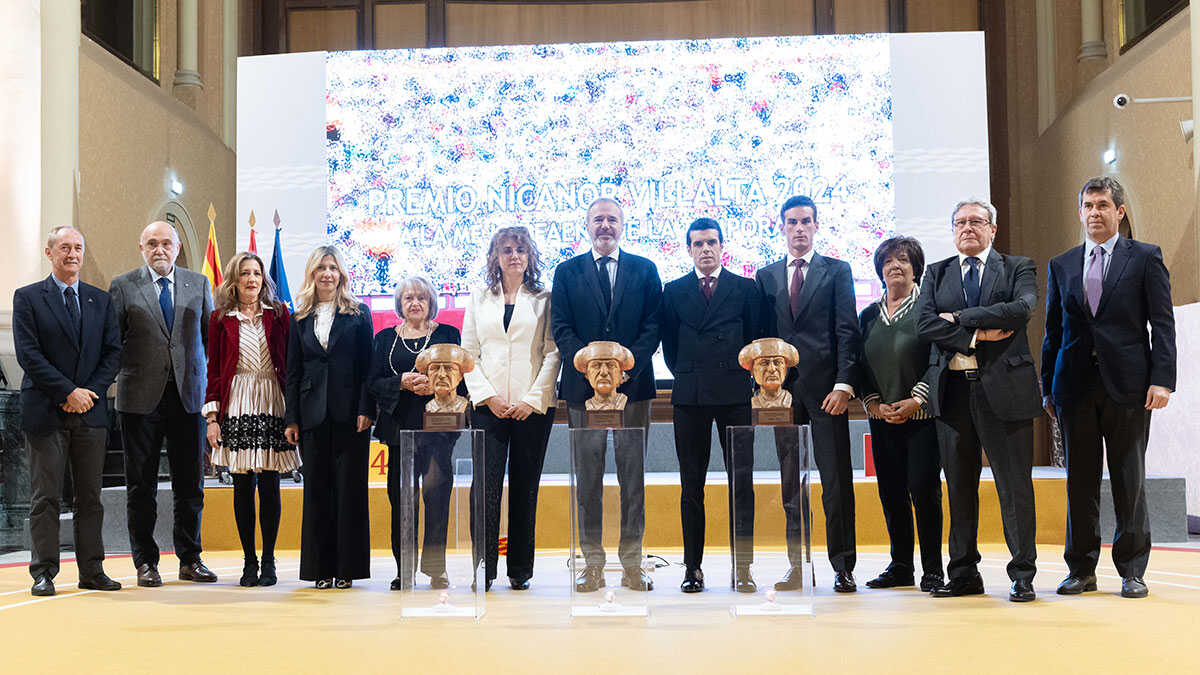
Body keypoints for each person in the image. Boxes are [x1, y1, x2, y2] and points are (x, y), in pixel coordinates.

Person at [1042, 177, 1176, 599]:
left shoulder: (1146, 258)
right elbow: (1052, 331)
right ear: (1080, 211)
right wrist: (1047, 388)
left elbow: (1163, 324)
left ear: (1119, 211)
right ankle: (1081, 570)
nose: (1094, 213)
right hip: (1074, 388)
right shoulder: (1061, 264)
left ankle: (1132, 571)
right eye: (1087, 205)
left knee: (1128, 480)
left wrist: (1163, 380)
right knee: (1079, 482)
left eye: (1103, 205)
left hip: (1131, 387)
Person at [916, 199, 1041, 602]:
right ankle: (964, 573)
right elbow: (924, 323)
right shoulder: (936, 272)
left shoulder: (1019, 266)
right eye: (960, 222)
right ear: (953, 230)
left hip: (1006, 393)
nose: (967, 228)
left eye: (976, 222)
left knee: (1014, 487)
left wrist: (959, 318)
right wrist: (977, 335)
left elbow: (1021, 309)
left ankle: (1022, 574)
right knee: (959, 488)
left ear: (993, 229)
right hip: (952, 395)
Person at [551, 197, 662, 593]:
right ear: (587, 226)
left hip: (633, 391)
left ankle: (633, 564)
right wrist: (587, 363)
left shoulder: (645, 270)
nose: (605, 226)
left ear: (622, 225)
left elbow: (653, 325)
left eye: (611, 219)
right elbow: (561, 327)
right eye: (598, 219)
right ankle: (592, 564)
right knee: (589, 482)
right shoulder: (566, 272)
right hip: (584, 392)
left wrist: (627, 366)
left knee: (634, 482)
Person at [754, 195, 860, 593]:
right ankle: (797, 566)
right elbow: (762, 340)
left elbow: (848, 331)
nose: (799, 228)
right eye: (792, 222)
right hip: (782, 397)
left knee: (835, 483)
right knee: (790, 485)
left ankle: (843, 566)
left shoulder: (837, 271)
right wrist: (763, 389)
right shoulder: (764, 277)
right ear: (780, 227)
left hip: (827, 393)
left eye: (806, 221)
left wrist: (844, 383)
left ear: (816, 226)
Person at [13, 226, 122, 596]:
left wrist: (87, 393)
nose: (72, 254)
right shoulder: (27, 298)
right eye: (64, 247)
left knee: (90, 496)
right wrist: (67, 391)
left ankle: (92, 570)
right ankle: (43, 572)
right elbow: (29, 354)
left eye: (78, 248)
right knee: (45, 497)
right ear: (49, 253)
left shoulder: (100, 300)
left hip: (90, 412)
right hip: (46, 410)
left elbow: (112, 354)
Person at [109, 221, 218, 588]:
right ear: (141, 247)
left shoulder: (198, 283)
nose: (160, 249)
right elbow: (112, 342)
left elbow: (210, 342)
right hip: (139, 400)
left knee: (191, 484)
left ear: (177, 247)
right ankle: (146, 562)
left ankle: (190, 559)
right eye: (152, 243)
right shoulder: (123, 286)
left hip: (189, 399)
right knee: (141, 486)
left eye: (166, 243)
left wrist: (213, 397)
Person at [659, 217, 759, 593]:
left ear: (722, 247)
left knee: (742, 485)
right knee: (691, 487)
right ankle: (693, 568)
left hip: (735, 395)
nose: (705, 249)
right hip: (690, 397)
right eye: (697, 243)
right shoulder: (672, 291)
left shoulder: (745, 289)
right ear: (688, 249)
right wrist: (689, 374)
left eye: (711, 243)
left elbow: (754, 342)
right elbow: (669, 347)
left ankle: (743, 567)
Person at [461, 227, 561, 591]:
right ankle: (484, 570)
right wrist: (488, 397)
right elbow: (468, 354)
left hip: (532, 408)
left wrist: (531, 400)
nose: (514, 255)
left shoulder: (544, 297)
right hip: (489, 407)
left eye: (520, 249)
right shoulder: (478, 298)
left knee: (524, 487)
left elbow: (552, 352)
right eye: (506, 250)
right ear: (495, 257)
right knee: (484, 489)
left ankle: (520, 570)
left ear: (529, 256)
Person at [203, 252, 297, 587]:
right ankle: (249, 562)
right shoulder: (219, 319)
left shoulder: (280, 315)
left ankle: (269, 560)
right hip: (238, 400)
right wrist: (213, 417)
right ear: (235, 279)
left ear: (264, 279)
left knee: (270, 484)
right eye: (245, 273)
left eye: (257, 273)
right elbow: (214, 369)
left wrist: (294, 411)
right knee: (242, 484)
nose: (252, 280)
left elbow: (292, 363)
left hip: (272, 397)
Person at [284, 246, 374, 589]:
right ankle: (320, 569)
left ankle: (346, 569)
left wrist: (367, 409)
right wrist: (291, 418)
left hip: (351, 414)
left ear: (342, 274)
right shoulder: (300, 317)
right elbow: (292, 372)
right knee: (317, 493)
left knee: (350, 492)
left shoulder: (358, 313)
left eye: (333, 267)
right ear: (312, 274)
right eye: (321, 267)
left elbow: (368, 367)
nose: (327, 273)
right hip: (311, 416)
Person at [856, 237, 943, 592]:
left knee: (924, 491)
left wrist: (916, 400)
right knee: (891, 493)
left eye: (903, 260)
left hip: (921, 419)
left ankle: (933, 570)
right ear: (879, 269)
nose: (895, 266)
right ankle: (901, 566)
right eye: (888, 261)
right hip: (882, 419)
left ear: (915, 267)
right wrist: (873, 403)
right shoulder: (867, 316)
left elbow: (939, 361)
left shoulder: (928, 308)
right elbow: (858, 365)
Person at [368, 276, 462, 590]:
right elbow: (373, 383)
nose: (415, 303)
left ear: (431, 302)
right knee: (402, 500)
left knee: (436, 496)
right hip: (398, 428)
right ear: (400, 304)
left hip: (438, 427)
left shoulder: (448, 335)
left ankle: (436, 569)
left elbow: (461, 377)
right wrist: (402, 383)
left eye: (421, 297)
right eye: (408, 298)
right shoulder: (383, 339)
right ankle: (403, 569)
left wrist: (436, 385)